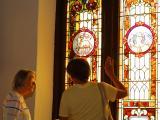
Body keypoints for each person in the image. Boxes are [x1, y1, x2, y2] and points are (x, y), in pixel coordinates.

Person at [59, 56, 128, 120]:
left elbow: (63, 118)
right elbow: (124, 92)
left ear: (71, 76)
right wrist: (111, 74)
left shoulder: (67, 94)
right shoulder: (102, 87)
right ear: (89, 72)